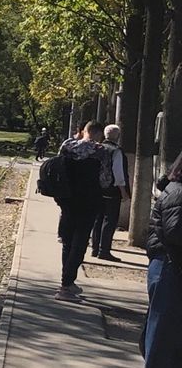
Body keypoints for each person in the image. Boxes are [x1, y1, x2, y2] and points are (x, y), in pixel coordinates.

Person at [141, 152, 182, 368]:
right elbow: (176, 232)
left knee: (166, 328)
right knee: (164, 330)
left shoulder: (175, 189)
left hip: (168, 265)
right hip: (170, 266)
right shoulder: (179, 193)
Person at [53, 120, 105, 300]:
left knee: (67, 242)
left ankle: (67, 282)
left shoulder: (68, 145)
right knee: (80, 244)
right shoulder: (100, 151)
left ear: (84, 131)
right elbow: (105, 179)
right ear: (98, 134)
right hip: (89, 202)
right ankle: (65, 286)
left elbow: (57, 166)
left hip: (67, 200)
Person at [90, 123, 129, 260]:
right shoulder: (116, 151)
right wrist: (123, 192)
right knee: (110, 220)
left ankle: (94, 248)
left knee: (98, 219)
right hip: (112, 190)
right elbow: (118, 173)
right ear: (117, 136)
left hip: (97, 189)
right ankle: (104, 250)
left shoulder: (98, 148)